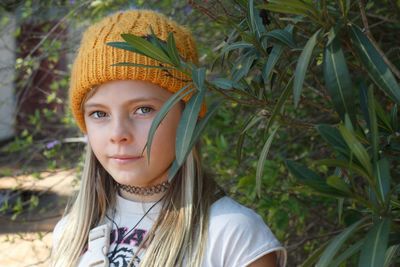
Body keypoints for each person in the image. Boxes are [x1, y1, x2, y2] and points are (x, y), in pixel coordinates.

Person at [51, 8, 287, 267]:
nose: (118, 134)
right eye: (99, 113)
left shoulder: (233, 236)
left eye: (143, 110)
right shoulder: (70, 234)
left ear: (189, 114)